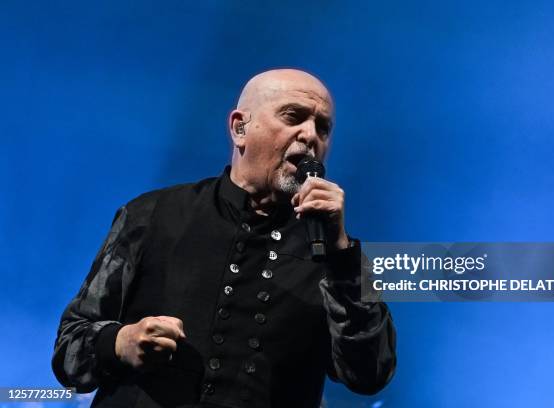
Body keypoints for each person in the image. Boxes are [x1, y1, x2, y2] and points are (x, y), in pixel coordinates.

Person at [52, 69, 396, 408]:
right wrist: (120, 342)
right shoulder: (152, 214)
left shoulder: (339, 256)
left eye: (323, 127)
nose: (310, 135)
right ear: (239, 128)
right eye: (293, 117)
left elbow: (370, 375)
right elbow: (69, 347)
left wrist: (340, 256)